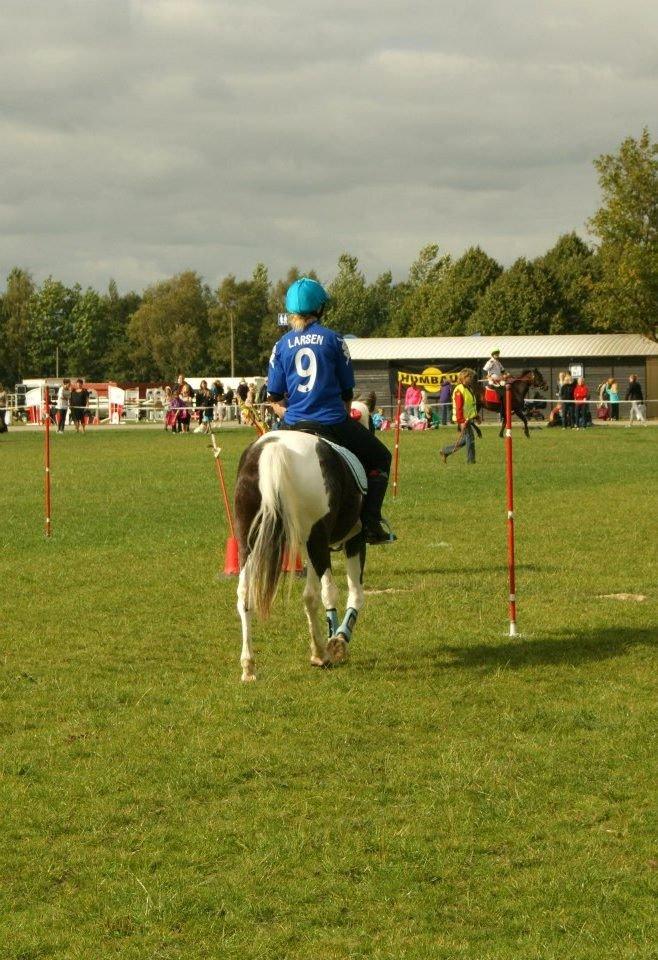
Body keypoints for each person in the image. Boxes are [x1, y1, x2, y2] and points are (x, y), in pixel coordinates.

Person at [267, 277, 395, 545]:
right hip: (331, 421)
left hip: (292, 424)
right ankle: (371, 522)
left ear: (291, 311)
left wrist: (289, 416)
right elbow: (347, 392)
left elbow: (275, 398)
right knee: (381, 457)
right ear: (320, 309)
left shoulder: (280, 346)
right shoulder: (335, 340)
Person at [439, 369, 480, 465]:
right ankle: (471, 461)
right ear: (463, 378)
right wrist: (461, 421)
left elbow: (470, 405)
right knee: (470, 438)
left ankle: (445, 451)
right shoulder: (459, 389)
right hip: (462, 419)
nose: (471, 379)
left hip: (468, 418)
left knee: (467, 439)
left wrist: (476, 416)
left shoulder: (468, 388)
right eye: (469, 377)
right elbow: (459, 408)